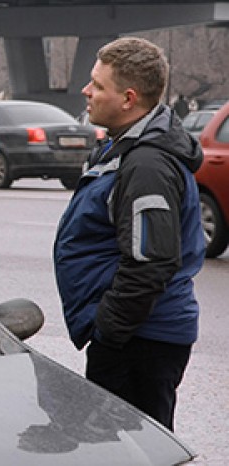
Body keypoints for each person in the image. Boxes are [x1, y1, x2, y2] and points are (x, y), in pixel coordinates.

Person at [52, 37, 205, 431]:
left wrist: (109, 334)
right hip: (138, 336)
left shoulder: (146, 165)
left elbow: (151, 262)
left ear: (129, 99)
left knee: (130, 450)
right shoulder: (126, 149)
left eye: (98, 86)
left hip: (140, 340)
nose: (86, 91)